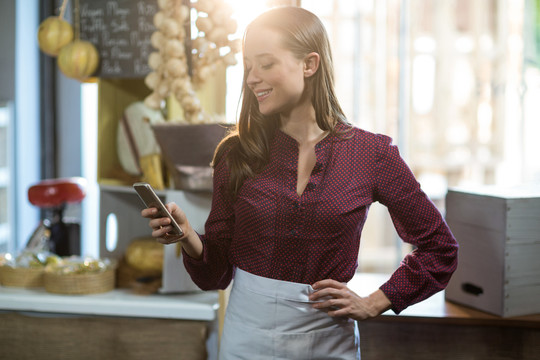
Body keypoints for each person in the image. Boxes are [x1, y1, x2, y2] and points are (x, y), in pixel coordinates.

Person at [141, 6, 458, 359]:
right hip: (245, 339)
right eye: (249, 66)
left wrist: (377, 302)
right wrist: (188, 239)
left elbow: (440, 249)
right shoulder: (236, 154)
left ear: (309, 64)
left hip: (328, 341)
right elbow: (215, 275)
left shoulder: (372, 154)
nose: (252, 78)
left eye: (266, 63)